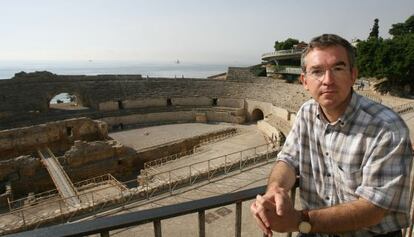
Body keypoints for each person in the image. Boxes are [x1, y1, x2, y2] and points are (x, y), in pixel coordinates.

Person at [250, 34, 413, 237]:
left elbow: (373, 209)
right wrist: (275, 190)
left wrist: (300, 220)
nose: (328, 80)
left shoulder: (386, 128)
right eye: (317, 71)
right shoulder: (306, 113)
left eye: (338, 68)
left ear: (353, 75)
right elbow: (288, 160)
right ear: (305, 81)